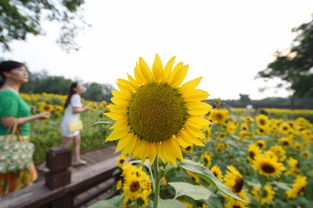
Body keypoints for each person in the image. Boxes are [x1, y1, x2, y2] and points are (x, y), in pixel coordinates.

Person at [0, 60, 50, 195]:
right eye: (20, 70)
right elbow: (8, 122)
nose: (25, 73)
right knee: (17, 187)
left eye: (25, 70)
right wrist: (37, 116)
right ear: (6, 73)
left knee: (20, 184)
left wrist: (28, 109)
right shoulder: (8, 94)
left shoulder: (10, 93)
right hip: (11, 146)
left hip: (16, 144)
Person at [61, 82, 90, 166]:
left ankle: (77, 160)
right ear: (75, 89)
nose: (82, 87)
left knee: (77, 141)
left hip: (74, 124)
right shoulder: (76, 96)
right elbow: (75, 110)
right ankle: (46, 164)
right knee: (64, 147)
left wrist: (83, 108)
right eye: (80, 86)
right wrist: (85, 108)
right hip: (70, 125)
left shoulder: (75, 97)